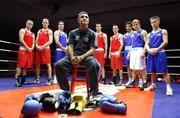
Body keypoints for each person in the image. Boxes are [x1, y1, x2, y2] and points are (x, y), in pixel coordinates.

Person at [55, 11, 100, 95]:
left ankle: (94, 91)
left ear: (88, 20)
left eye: (86, 17)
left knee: (95, 65)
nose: (84, 18)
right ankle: (65, 91)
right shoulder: (72, 33)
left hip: (87, 56)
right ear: (78, 20)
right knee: (58, 65)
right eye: (82, 16)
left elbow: (92, 49)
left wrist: (81, 57)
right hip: (73, 56)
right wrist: (72, 56)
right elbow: (70, 46)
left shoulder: (93, 34)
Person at [144, 16, 173, 96]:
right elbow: (146, 44)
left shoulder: (163, 31)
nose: (153, 23)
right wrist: (149, 50)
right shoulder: (149, 34)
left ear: (158, 22)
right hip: (151, 53)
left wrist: (157, 49)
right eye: (152, 22)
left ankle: (168, 87)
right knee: (153, 71)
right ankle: (153, 85)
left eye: (155, 21)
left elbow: (165, 42)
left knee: (164, 71)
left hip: (160, 52)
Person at [126, 19, 147, 90]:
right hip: (133, 51)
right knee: (133, 68)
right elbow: (132, 44)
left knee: (142, 68)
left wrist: (144, 52)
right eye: (134, 24)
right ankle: (133, 82)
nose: (135, 25)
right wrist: (129, 53)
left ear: (139, 24)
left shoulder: (143, 32)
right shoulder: (133, 34)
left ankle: (144, 82)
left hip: (139, 50)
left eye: (136, 24)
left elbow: (147, 43)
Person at [15, 19, 35, 87]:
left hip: (29, 51)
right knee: (20, 65)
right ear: (26, 24)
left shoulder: (33, 34)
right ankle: (17, 81)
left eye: (31, 24)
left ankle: (23, 80)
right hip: (23, 50)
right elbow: (21, 40)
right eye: (29, 23)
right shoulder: (22, 30)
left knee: (26, 66)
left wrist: (31, 48)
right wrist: (27, 47)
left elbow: (33, 43)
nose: (30, 25)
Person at [34, 18, 53, 85]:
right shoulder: (39, 31)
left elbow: (51, 41)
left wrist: (42, 47)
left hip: (46, 49)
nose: (45, 23)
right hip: (39, 49)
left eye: (46, 22)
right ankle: (37, 79)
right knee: (37, 64)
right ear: (42, 23)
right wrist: (36, 45)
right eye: (44, 22)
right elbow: (36, 39)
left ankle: (50, 79)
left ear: (48, 23)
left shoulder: (49, 31)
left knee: (48, 64)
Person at [123, 21, 133, 86]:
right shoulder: (124, 35)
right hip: (126, 50)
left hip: (133, 50)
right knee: (128, 66)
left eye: (129, 26)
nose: (128, 27)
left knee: (134, 67)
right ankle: (129, 80)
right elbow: (123, 44)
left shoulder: (134, 33)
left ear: (131, 27)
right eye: (126, 26)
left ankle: (135, 80)